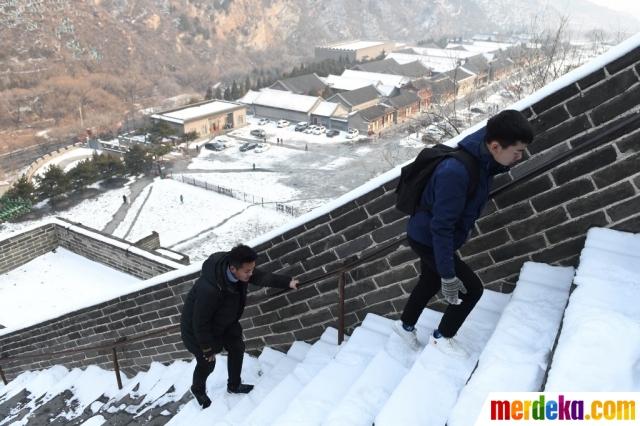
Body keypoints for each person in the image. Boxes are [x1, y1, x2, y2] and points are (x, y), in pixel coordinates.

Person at [392, 110, 534, 358]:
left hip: (425, 233)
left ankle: (405, 327)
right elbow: (441, 228)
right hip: (429, 238)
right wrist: (448, 275)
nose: (520, 157)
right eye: (517, 152)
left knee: (429, 280)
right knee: (472, 290)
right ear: (495, 146)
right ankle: (442, 337)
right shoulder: (456, 173)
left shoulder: (486, 155)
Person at [180, 244, 300, 409]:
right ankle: (198, 390)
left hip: (225, 321)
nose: (251, 274)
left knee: (237, 348)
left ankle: (234, 385)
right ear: (233, 269)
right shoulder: (208, 290)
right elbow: (199, 323)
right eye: (247, 271)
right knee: (207, 363)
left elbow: (261, 277)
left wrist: (288, 282)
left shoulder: (241, 270)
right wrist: (207, 349)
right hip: (197, 331)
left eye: (252, 270)